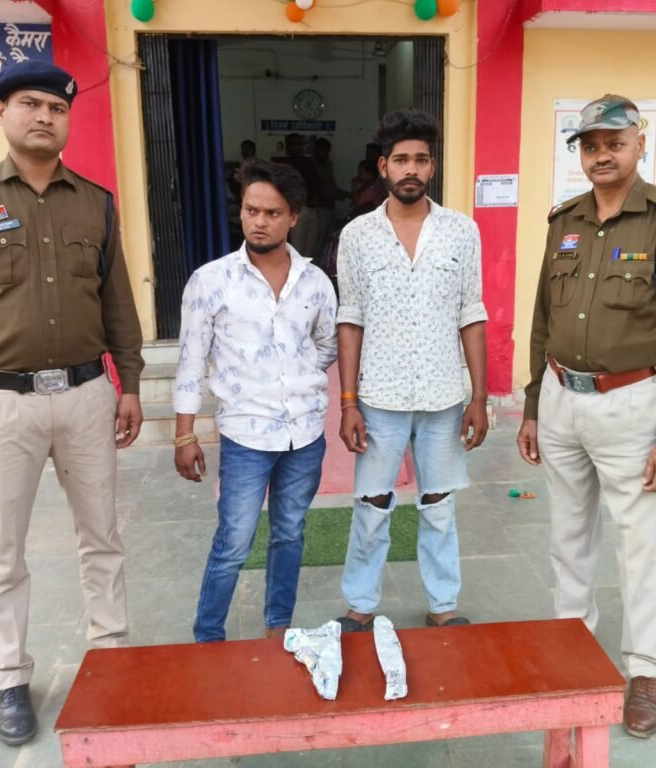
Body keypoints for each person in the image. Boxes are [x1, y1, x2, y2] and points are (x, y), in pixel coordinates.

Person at [0, 61, 144, 746]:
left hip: (85, 396)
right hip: (3, 402)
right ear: (3, 112)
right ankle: (9, 678)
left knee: (102, 537)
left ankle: (111, 658)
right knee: (2, 549)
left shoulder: (96, 202)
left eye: (57, 107)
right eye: (30, 104)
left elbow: (116, 300)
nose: (45, 116)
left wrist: (130, 384)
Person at [517, 94, 656, 738]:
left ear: (639, 143)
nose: (601, 155)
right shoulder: (564, 219)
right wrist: (532, 405)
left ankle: (647, 671)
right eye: (591, 145)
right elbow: (543, 318)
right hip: (560, 400)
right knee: (568, 538)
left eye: (614, 143)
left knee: (640, 545)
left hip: (631, 405)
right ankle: (572, 651)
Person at [335, 109, 488, 632]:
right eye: (401, 159)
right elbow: (350, 319)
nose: (411, 169)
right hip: (379, 396)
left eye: (421, 159)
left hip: (444, 397)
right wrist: (348, 402)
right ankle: (360, 604)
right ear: (383, 166)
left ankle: (443, 605)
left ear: (433, 167)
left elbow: (471, 314)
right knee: (372, 504)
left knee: (439, 506)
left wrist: (479, 397)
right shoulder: (357, 235)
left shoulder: (461, 232)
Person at [173, 159, 338, 643]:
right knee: (234, 542)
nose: (259, 221)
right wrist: (184, 433)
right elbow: (190, 359)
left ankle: (278, 626)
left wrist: (298, 375)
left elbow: (327, 342)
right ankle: (208, 638)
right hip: (245, 436)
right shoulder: (211, 281)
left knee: (290, 533)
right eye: (251, 210)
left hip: (304, 434)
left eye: (272, 213)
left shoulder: (315, 281)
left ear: (294, 217)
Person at [283, 132, 321, 260]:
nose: (297, 147)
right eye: (294, 144)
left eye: (299, 144)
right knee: (297, 249)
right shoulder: (285, 166)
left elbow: (316, 183)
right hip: (296, 210)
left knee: (311, 251)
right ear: (288, 147)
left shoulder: (308, 163)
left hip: (311, 208)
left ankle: (307, 272)